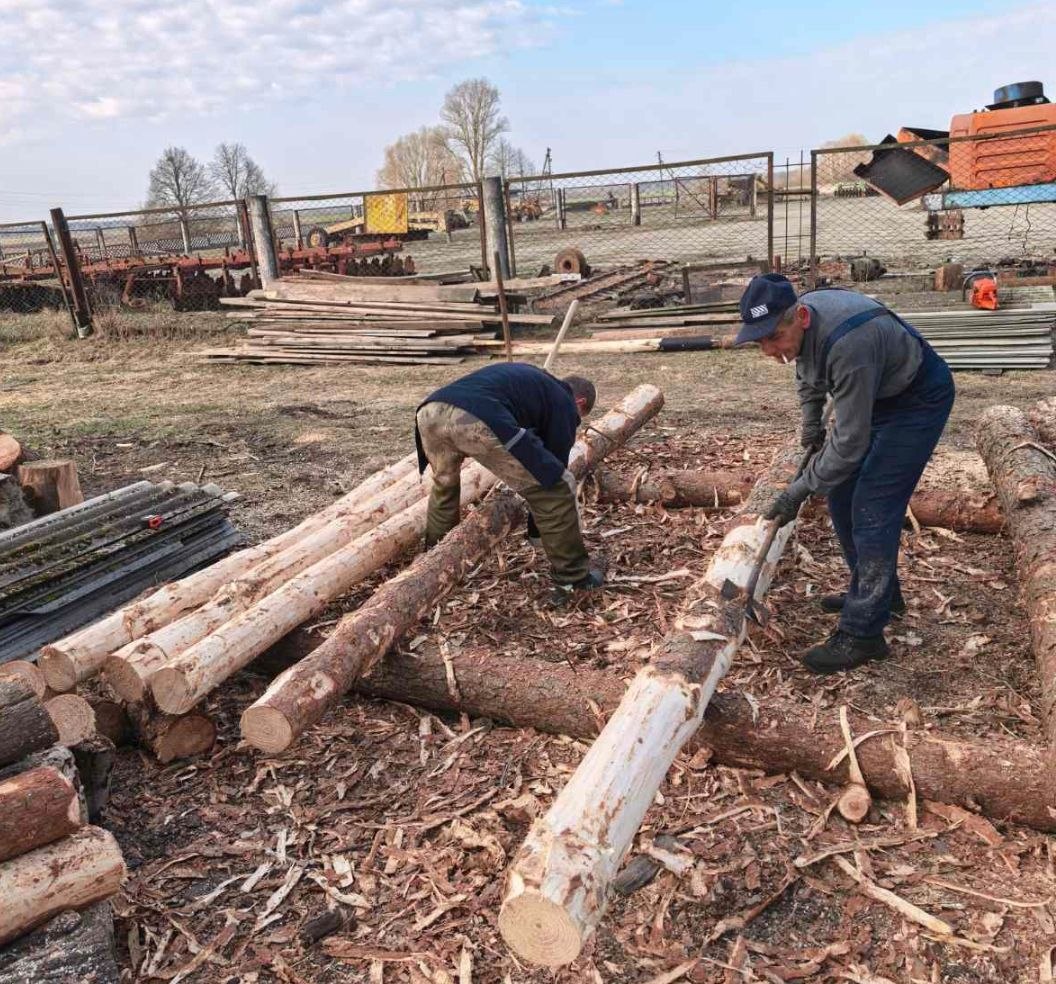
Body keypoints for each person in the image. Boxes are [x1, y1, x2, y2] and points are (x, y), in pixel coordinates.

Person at [735, 274, 955, 673]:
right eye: (759, 342)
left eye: (773, 338)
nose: (768, 350)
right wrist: (810, 421)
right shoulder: (804, 327)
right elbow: (805, 370)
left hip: (916, 400)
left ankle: (863, 634)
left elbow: (850, 444)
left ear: (801, 318)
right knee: (840, 495)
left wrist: (799, 490)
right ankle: (879, 595)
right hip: (879, 391)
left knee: (873, 507)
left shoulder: (850, 343)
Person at [414, 362, 604, 600]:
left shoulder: (535, 382)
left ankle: (433, 565)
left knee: (445, 486)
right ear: (580, 403)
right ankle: (573, 580)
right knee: (557, 487)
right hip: (474, 415)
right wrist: (537, 533)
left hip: (430, 411)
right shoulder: (564, 402)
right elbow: (552, 469)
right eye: (579, 418)